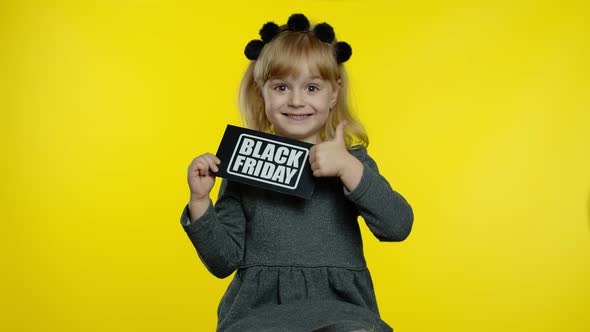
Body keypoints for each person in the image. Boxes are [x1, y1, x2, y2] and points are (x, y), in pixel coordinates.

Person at [180, 13, 414, 332]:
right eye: (281, 87)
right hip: (258, 315)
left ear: (333, 94)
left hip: (342, 313)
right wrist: (199, 202)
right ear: (261, 93)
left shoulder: (352, 162)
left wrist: (348, 169)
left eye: (312, 87)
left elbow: (397, 226)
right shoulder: (243, 165)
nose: (296, 100)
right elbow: (223, 262)